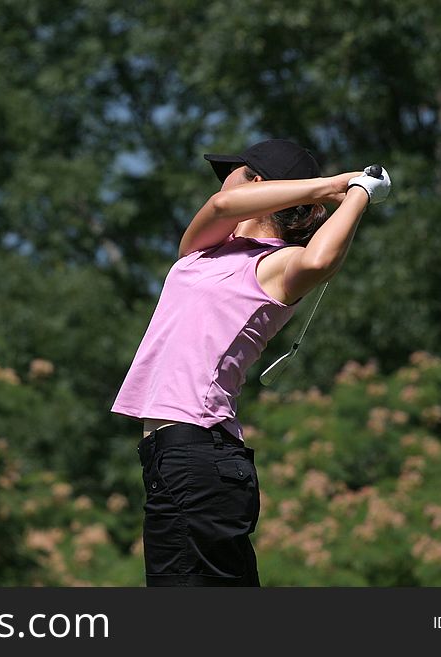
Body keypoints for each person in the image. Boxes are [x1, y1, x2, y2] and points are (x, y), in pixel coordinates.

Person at [110, 138, 391, 586]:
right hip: (173, 459)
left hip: (199, 455)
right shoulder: (203, 250)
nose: (223, 184)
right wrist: (331, 184)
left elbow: (321, 259)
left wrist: (357, 192)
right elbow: (224, 204)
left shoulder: (280, 265)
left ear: (261, 183)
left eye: (234, 171)